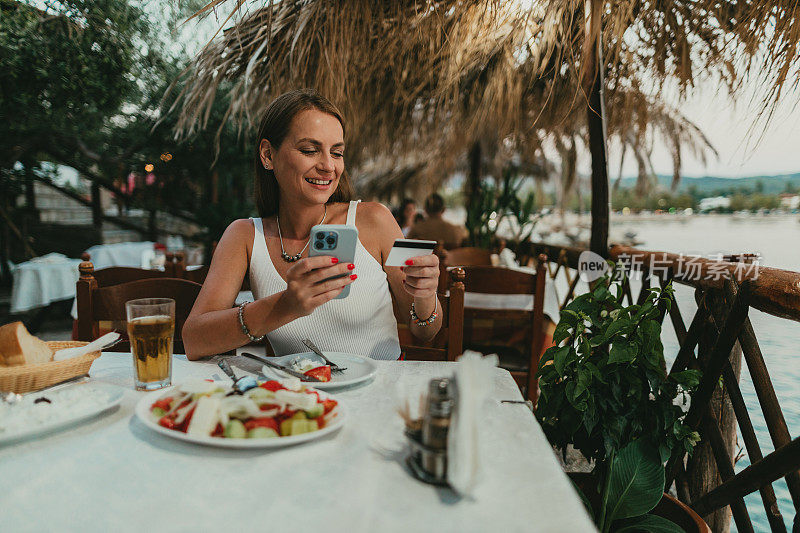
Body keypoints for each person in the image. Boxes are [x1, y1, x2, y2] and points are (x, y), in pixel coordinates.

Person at [182, 89, 442, 361]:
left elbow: (426, 332)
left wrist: (425, 295)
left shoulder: (375, 219)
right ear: (268, 155)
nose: (329, 166)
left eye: (337, 152)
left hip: (378, 395)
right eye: (310, 150)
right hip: (299, 399)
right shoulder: (244, 236)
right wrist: (285, 306)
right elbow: (194, 340)